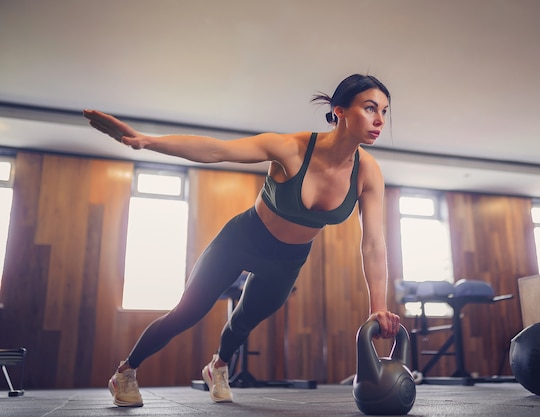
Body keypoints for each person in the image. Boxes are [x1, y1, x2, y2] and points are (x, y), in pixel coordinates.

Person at [83, 73, 401, 407]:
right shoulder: (291, 148)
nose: (379, 119)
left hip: (288, 260)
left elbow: (374, 244)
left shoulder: (368, 173)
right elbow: (217, 150)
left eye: (384, 111)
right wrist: (147, 141)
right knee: (187, 312)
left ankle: (218, 367)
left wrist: (377, 307)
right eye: (370, 108)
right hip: (241, 240)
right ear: (340, 110)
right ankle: (125, 372)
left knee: (244, 320)